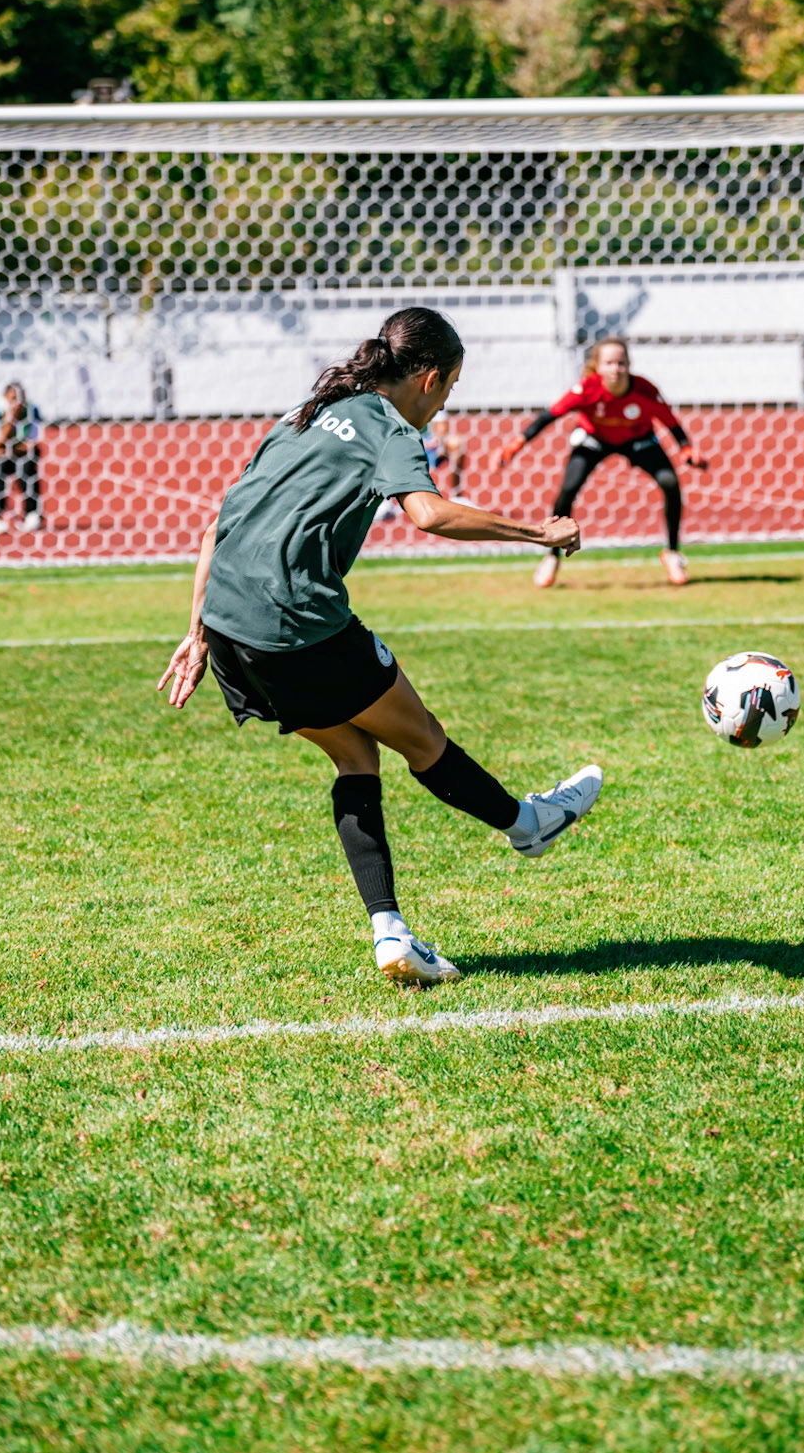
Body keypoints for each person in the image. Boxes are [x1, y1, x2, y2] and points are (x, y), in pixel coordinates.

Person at [157, 307, 603, 990]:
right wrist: (536, 533)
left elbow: (222, 515)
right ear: (428, 378)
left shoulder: (311, 409)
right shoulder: (387, 426)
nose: (442, 404)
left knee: (353, 753)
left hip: (229, 627)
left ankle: (390, 932)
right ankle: (526, 824)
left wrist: (195, 631)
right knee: (421, 737)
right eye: (448, 391)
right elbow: (428, 513)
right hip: (294, 621)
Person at [498, 336, 707, 588]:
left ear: (629, 364)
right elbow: (550, 415)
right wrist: (518, 442)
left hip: (638, 440)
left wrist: (686, 448)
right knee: (568, 490)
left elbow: (670, 422)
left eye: (621, 363)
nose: (616, 369)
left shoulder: (645, 391)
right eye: (609, 363)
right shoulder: (587, 389)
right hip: (593, 439)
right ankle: (551, 556)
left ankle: (672, 553)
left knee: (670, 483)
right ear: (597, 366)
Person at [0, 382, 43, 535]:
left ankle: (32, 514)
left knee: (28, 464)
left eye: (20, 398)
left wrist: (6, 450)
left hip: (14, 454)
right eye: (12, 398)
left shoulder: (32, 410)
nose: (17, 403)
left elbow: (32, 445)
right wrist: (10, 421)